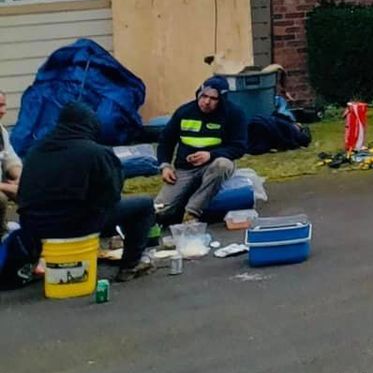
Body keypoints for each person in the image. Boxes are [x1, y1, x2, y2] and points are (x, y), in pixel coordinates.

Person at [10, 101, 154, 283]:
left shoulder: (35, 151)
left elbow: (23, 192)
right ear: (90, 124)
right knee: (143, 205)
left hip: (33, 227)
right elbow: (112, 196)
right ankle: (130, 265)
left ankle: (39, 261)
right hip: (76, 225)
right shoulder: (96, 153)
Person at [153, 76, 248, 226]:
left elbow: (239, 147)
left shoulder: (234, 114)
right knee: (160, 209)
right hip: (185, 168)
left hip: (214, 163)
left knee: (223, 164)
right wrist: (165, 166)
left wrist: (210, 155)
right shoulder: (184, 112)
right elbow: (166, 141)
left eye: (213, 98)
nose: (206, 102)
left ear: (222, 100)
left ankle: (192, 212)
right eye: (203, 96)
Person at [0, 89, 21, 233]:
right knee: (0, 198)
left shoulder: (1, 131)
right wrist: (8, 187)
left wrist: (20, 177)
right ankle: (1, 233)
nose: (3, 111)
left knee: (28, 190)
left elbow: (10, 159)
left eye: (3, 105)